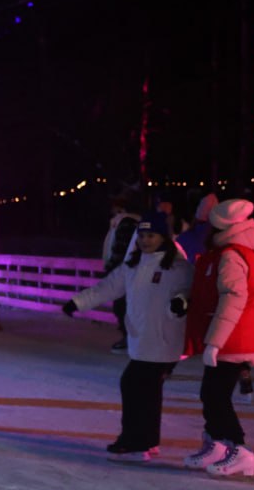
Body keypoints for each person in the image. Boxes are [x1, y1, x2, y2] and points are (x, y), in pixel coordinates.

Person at [63, 213, 193, 461]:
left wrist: (181, 303)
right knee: (145, 390)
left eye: (151, 235)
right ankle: (147, 440)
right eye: (142, 236)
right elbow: (107, 287)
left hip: (164, 338)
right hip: (141, 339)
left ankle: (135, 440)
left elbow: (189, 292)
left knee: (134, 385)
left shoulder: (178, 267)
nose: (145, 240)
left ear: (163, 237)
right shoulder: (132, 266)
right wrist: (77, 302)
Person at [174, 198, 254, 478]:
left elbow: (233, 299)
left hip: (234, 338)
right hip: (232, 336)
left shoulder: (232, 255)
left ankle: (240, 450)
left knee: (216, 397)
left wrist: (215, 342)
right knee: (211, 394)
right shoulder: (232, 251)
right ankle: (216, 443)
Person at [99, 194, 141, 354]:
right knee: (124, 306)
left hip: (123, 273)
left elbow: (121, 249)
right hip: (127, 272)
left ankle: (129, 338)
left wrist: (111, 270)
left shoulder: (126, 223)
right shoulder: (124, 223)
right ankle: (130, 337)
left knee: (122, 307)